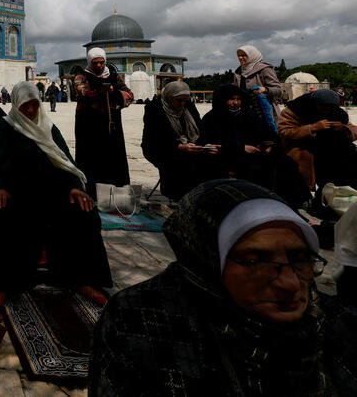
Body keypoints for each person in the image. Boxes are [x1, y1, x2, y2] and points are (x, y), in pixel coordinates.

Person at [89, 180, 355, 395]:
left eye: (300, 259)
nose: (289, 283)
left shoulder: (335, 323)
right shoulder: (143, 321)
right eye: (255, 262)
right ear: (207, 264)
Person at [0, 81, 111, 306]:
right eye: (25, 106)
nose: (30, 111)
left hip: (50, 192)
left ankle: (83, 279)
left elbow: (65, 160)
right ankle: (6, 283)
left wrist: (74, 187)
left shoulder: (47, 127)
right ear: (16, 104)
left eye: (34, 105)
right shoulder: (1, 127)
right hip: (12, 192)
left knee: (83, 211)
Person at [201, 84, 308, 207]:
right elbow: (209, 142)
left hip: (255, 153)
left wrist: (269, 145)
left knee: (286, 162)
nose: (236, 103)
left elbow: (268, 133)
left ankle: (292, 202)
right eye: (231, 99)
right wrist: (240, 148)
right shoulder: (211, 118)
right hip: (228, 156)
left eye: (238, 99)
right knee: (254, 168)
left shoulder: (249, 115)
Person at [278, 89, 357, 212]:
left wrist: (344, 128)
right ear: (315, 104)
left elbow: (353, 129)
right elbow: (285, 132)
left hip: (332, 152)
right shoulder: (295, 110)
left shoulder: (337, 112)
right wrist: (313, 128)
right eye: (323, 108)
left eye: (329, 108)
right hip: (306, 151)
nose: (327, 111)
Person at [141, 81, 220, 201]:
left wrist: (205, 146)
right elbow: (154, 139)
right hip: (160, 148)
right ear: (169, 97)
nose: (182, 103)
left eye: (185, 100)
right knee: (177, 162)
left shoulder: (188, 106)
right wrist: (179, 147)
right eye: (179, 100)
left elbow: (199, 129)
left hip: (188, 145)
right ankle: (176, 196)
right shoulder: (154, 109)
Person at [73, 48, 133, 198]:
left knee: (114, 159)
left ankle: (116, 196)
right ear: (89, 62)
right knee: (91, 159)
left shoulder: (113, 76)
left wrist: (114, 91)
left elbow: (130, 95)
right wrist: (100, 90)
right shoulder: (82, 76)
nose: (99, 66)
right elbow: (81, 91)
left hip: (112, 126)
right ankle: (91, 195)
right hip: (89, 127)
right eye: (95, 63)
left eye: (101, 62)